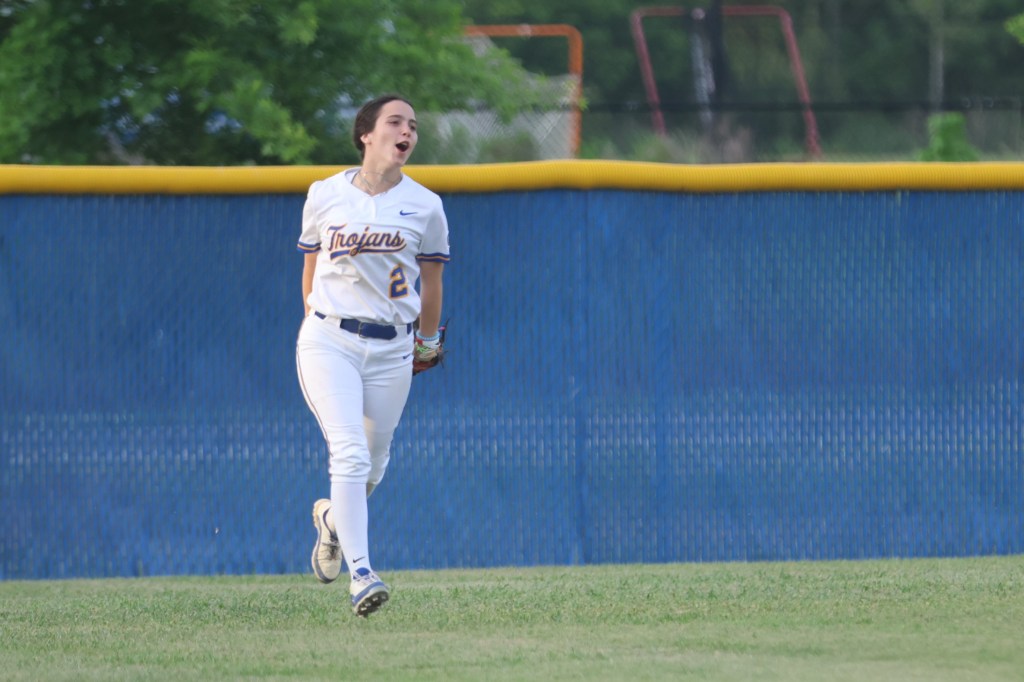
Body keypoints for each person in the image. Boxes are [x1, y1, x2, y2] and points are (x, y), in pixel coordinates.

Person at [295, 94, 450, 617]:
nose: (407, 131)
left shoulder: (425, 204)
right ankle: (362, 574)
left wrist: (427, 341)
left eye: (413, 125)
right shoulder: (325, 193)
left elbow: (432, 281)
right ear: (366, 134)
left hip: (393, 347)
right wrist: (316, 321)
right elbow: (310, 266)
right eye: (395, 122)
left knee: (374, 464)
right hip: (330, 339)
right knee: (350, 453)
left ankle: (332, 520)